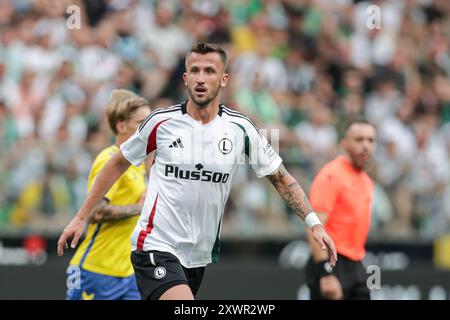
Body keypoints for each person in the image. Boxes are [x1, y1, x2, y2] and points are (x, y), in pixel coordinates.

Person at [58, 42, 337, 300]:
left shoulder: (241, 129)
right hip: (155, 247)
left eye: (209, 71)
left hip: (197, 257)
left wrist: (313, 222)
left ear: (224, 80)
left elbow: (281, 178)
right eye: (194, 71)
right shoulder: (161, 123)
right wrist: (81, 217)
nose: (201, 78)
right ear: (185, 78)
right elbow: (118, 161)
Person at [66, 89, 151, 300]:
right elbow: (96, 212)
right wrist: (140, 207)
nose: (148, 130)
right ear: (121, 126)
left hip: (128, 273)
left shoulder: (137, 165)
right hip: (96, 270)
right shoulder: (109, 160)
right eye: (141, 123)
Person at [305, 119, 376, 300]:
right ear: (345, 144)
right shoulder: (332, 175)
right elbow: (314, 226)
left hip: (356, 263)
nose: (366, 145)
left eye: (370, 140)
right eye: (359, 140)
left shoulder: (365, 180)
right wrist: (326, 273)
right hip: (332, 261)